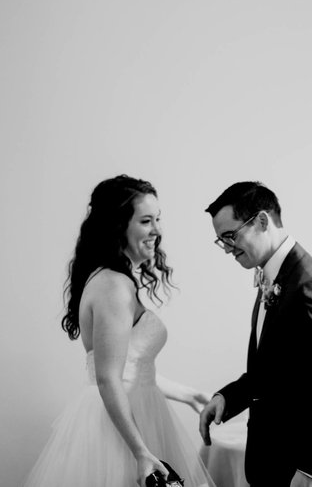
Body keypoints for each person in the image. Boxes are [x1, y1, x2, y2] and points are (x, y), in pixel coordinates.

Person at [22, 174, 214, 487]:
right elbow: (108, 377)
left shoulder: (115, 281)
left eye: (158, 220)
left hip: (134, 413)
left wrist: (188, 394)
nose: (157, 231)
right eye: (146, 221)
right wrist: (140, 452)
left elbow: (130, 368)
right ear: (118, 226)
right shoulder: (113, 286)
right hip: (120, 432)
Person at [199, 181, 312, 487]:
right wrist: (228, 398)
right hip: (274, 462)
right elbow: (273, 370)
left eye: (230, 236)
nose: (227, 249)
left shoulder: (309, 284)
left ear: (262, 221)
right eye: (221, 241)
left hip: (304, 467)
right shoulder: (272, 277)